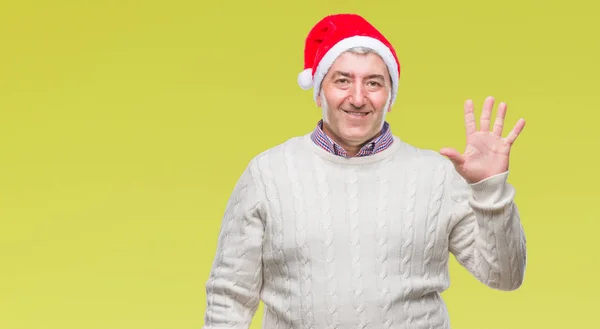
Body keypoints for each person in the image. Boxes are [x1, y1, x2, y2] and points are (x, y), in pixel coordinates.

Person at [201, 13, 527, 329]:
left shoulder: (437, 175)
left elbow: (505, 277)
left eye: (373, 83)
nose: (358, 98)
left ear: (390, 97)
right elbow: (229, 295)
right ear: (318, 91)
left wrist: (489, 187)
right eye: (342, 80)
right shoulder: (268, 174)